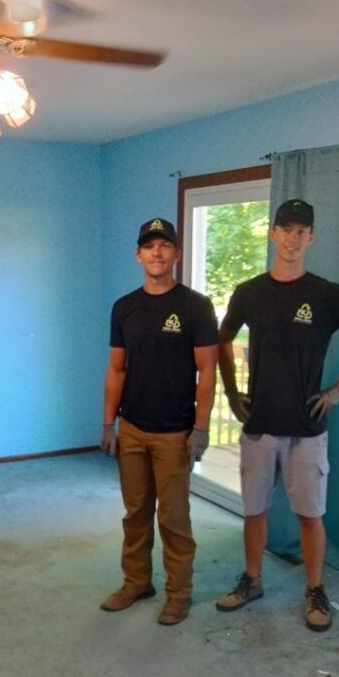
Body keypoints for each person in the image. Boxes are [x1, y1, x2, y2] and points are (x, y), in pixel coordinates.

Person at [216, 198, 339, 631]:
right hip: (259, 426)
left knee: (310, 515)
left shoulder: (326, 295)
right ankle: (252, 580)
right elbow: (221, 340)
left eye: (301, 231)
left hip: (307, 429)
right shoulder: (249, 292)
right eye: (285, 229)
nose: (292, 238)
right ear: (272, 234)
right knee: (254, 510)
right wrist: (232, 391)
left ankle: (315, 590)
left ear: (311, 238)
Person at [100, 217, 218, 625]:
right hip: (132, 427)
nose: (157, 253)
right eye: (149, 246)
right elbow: (116, 369)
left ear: (176, 254)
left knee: (173, 517)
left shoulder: (195, 306)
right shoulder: (124, 307)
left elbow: (207, 372)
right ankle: (136, 582)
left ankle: (178, 592)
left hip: (174, 432)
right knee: (135, 513)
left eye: (165, 245)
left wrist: (200, 427)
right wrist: (107, 423)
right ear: (138, 255)